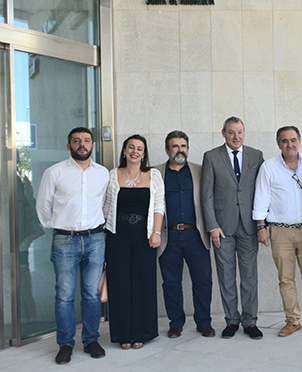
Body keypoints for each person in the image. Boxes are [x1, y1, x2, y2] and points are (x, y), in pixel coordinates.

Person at [36, 127, 109, 364]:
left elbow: (107, 203)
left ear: (93, 146)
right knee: (65, 295)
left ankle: (91, 340)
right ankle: (65, 343)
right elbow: (43, 205)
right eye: (76, 141)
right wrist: (57, 226)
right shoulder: (54, 172)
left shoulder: (103, 173)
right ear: (69, 146)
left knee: (90, 293)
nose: (82, 144)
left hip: (95, 240)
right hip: (64, 240)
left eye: (86, 140)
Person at [253, 126, 302, 337]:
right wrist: (261, 227)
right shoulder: (269, 167)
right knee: (286, 278)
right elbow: (261, 197)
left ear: (299, 142)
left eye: (293, 140)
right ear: (279, 145)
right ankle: (292, 319)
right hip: (280, 230)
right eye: (285, 141)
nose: (289, 144)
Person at [202, 117, 265, 339]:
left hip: (249, 227)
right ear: (223, 133)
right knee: (226, 276)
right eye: (231, 132)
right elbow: (206, 194)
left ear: (244, 132)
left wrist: (261, 225)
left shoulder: (256, 155)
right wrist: (212, 226)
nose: (236, 136)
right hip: (223, 228)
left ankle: (250, 321)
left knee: (249, 277)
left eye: (239, 132)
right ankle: (231, 320)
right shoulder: (211, 157)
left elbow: (262, 191)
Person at [103, 134, 165, 349]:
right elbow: (106, 207)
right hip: (117, 236)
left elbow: (159, 206)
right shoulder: (113, 175)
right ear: (124, 151)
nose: (135, 151)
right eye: (131, 147)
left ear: (144, 153)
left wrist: (156, 232)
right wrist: (104, 234)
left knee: (143, 284)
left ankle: (141, 332)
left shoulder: (153, 175)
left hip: (144, 237)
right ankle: (122, 335)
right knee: (119, 284)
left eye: (140, 148)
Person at [154, 131, 214, 339]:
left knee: (203, 280)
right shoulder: (156, 173)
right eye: (175, 146)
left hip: (195, 234)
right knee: (170, 282)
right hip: (167, 236)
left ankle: (204, 322)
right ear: (167, 149)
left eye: (183, 146)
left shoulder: (200, 170)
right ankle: (176, 323)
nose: (180, 150)